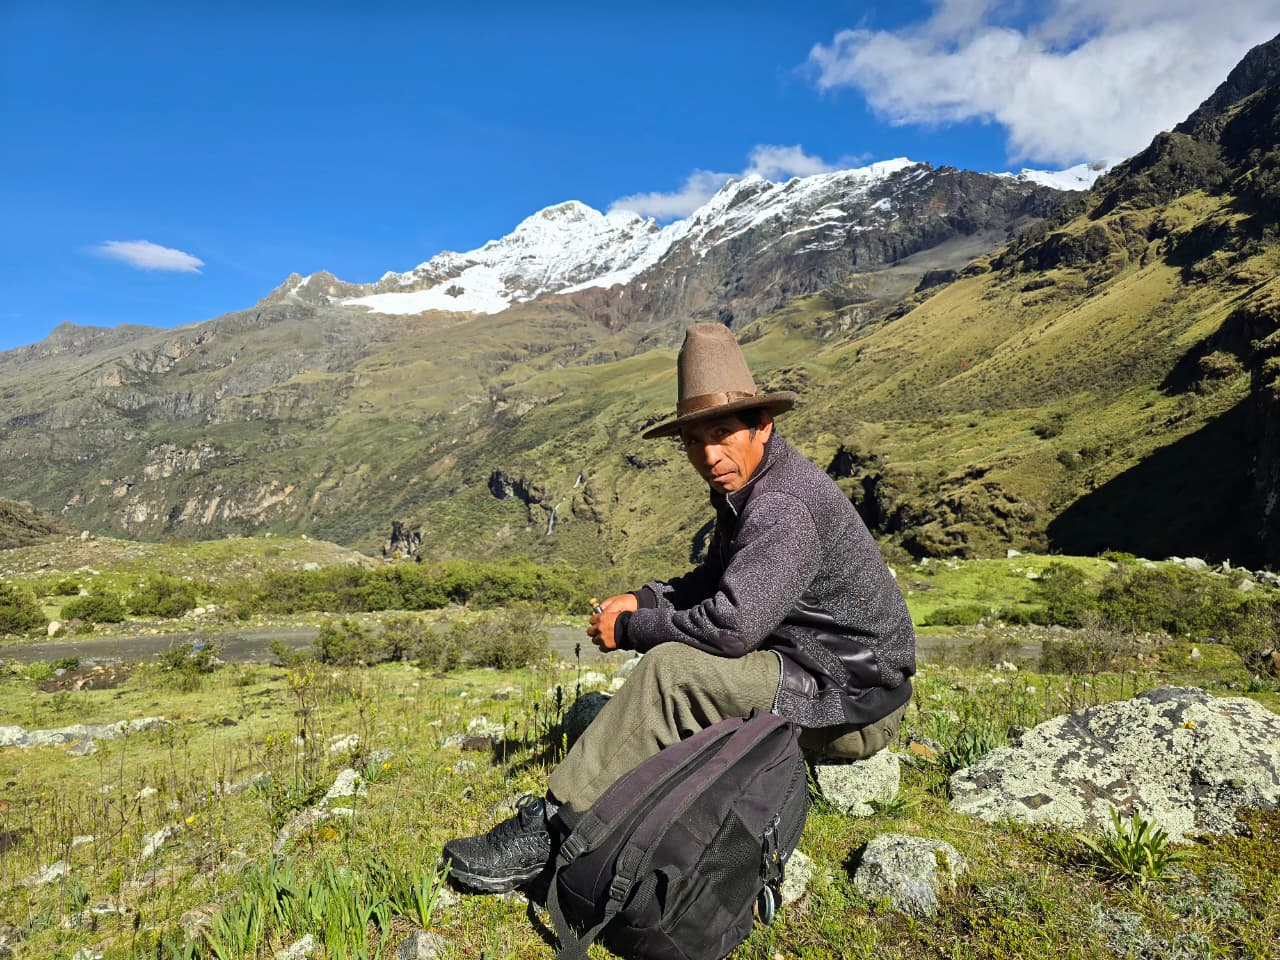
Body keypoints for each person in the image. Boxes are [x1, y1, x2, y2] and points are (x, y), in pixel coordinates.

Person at [443, 322, 916, 893]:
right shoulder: (749, 488)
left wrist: (633, 628)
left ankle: (553, 830)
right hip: (827, 674)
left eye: (722, 434)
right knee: (678, 659)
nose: (708, 455)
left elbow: (732, 627)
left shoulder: (782, 505)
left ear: (760, 426)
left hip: (850, 701)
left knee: (671, 672)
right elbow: (715, 579)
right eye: (694, 441)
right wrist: (644, 598)